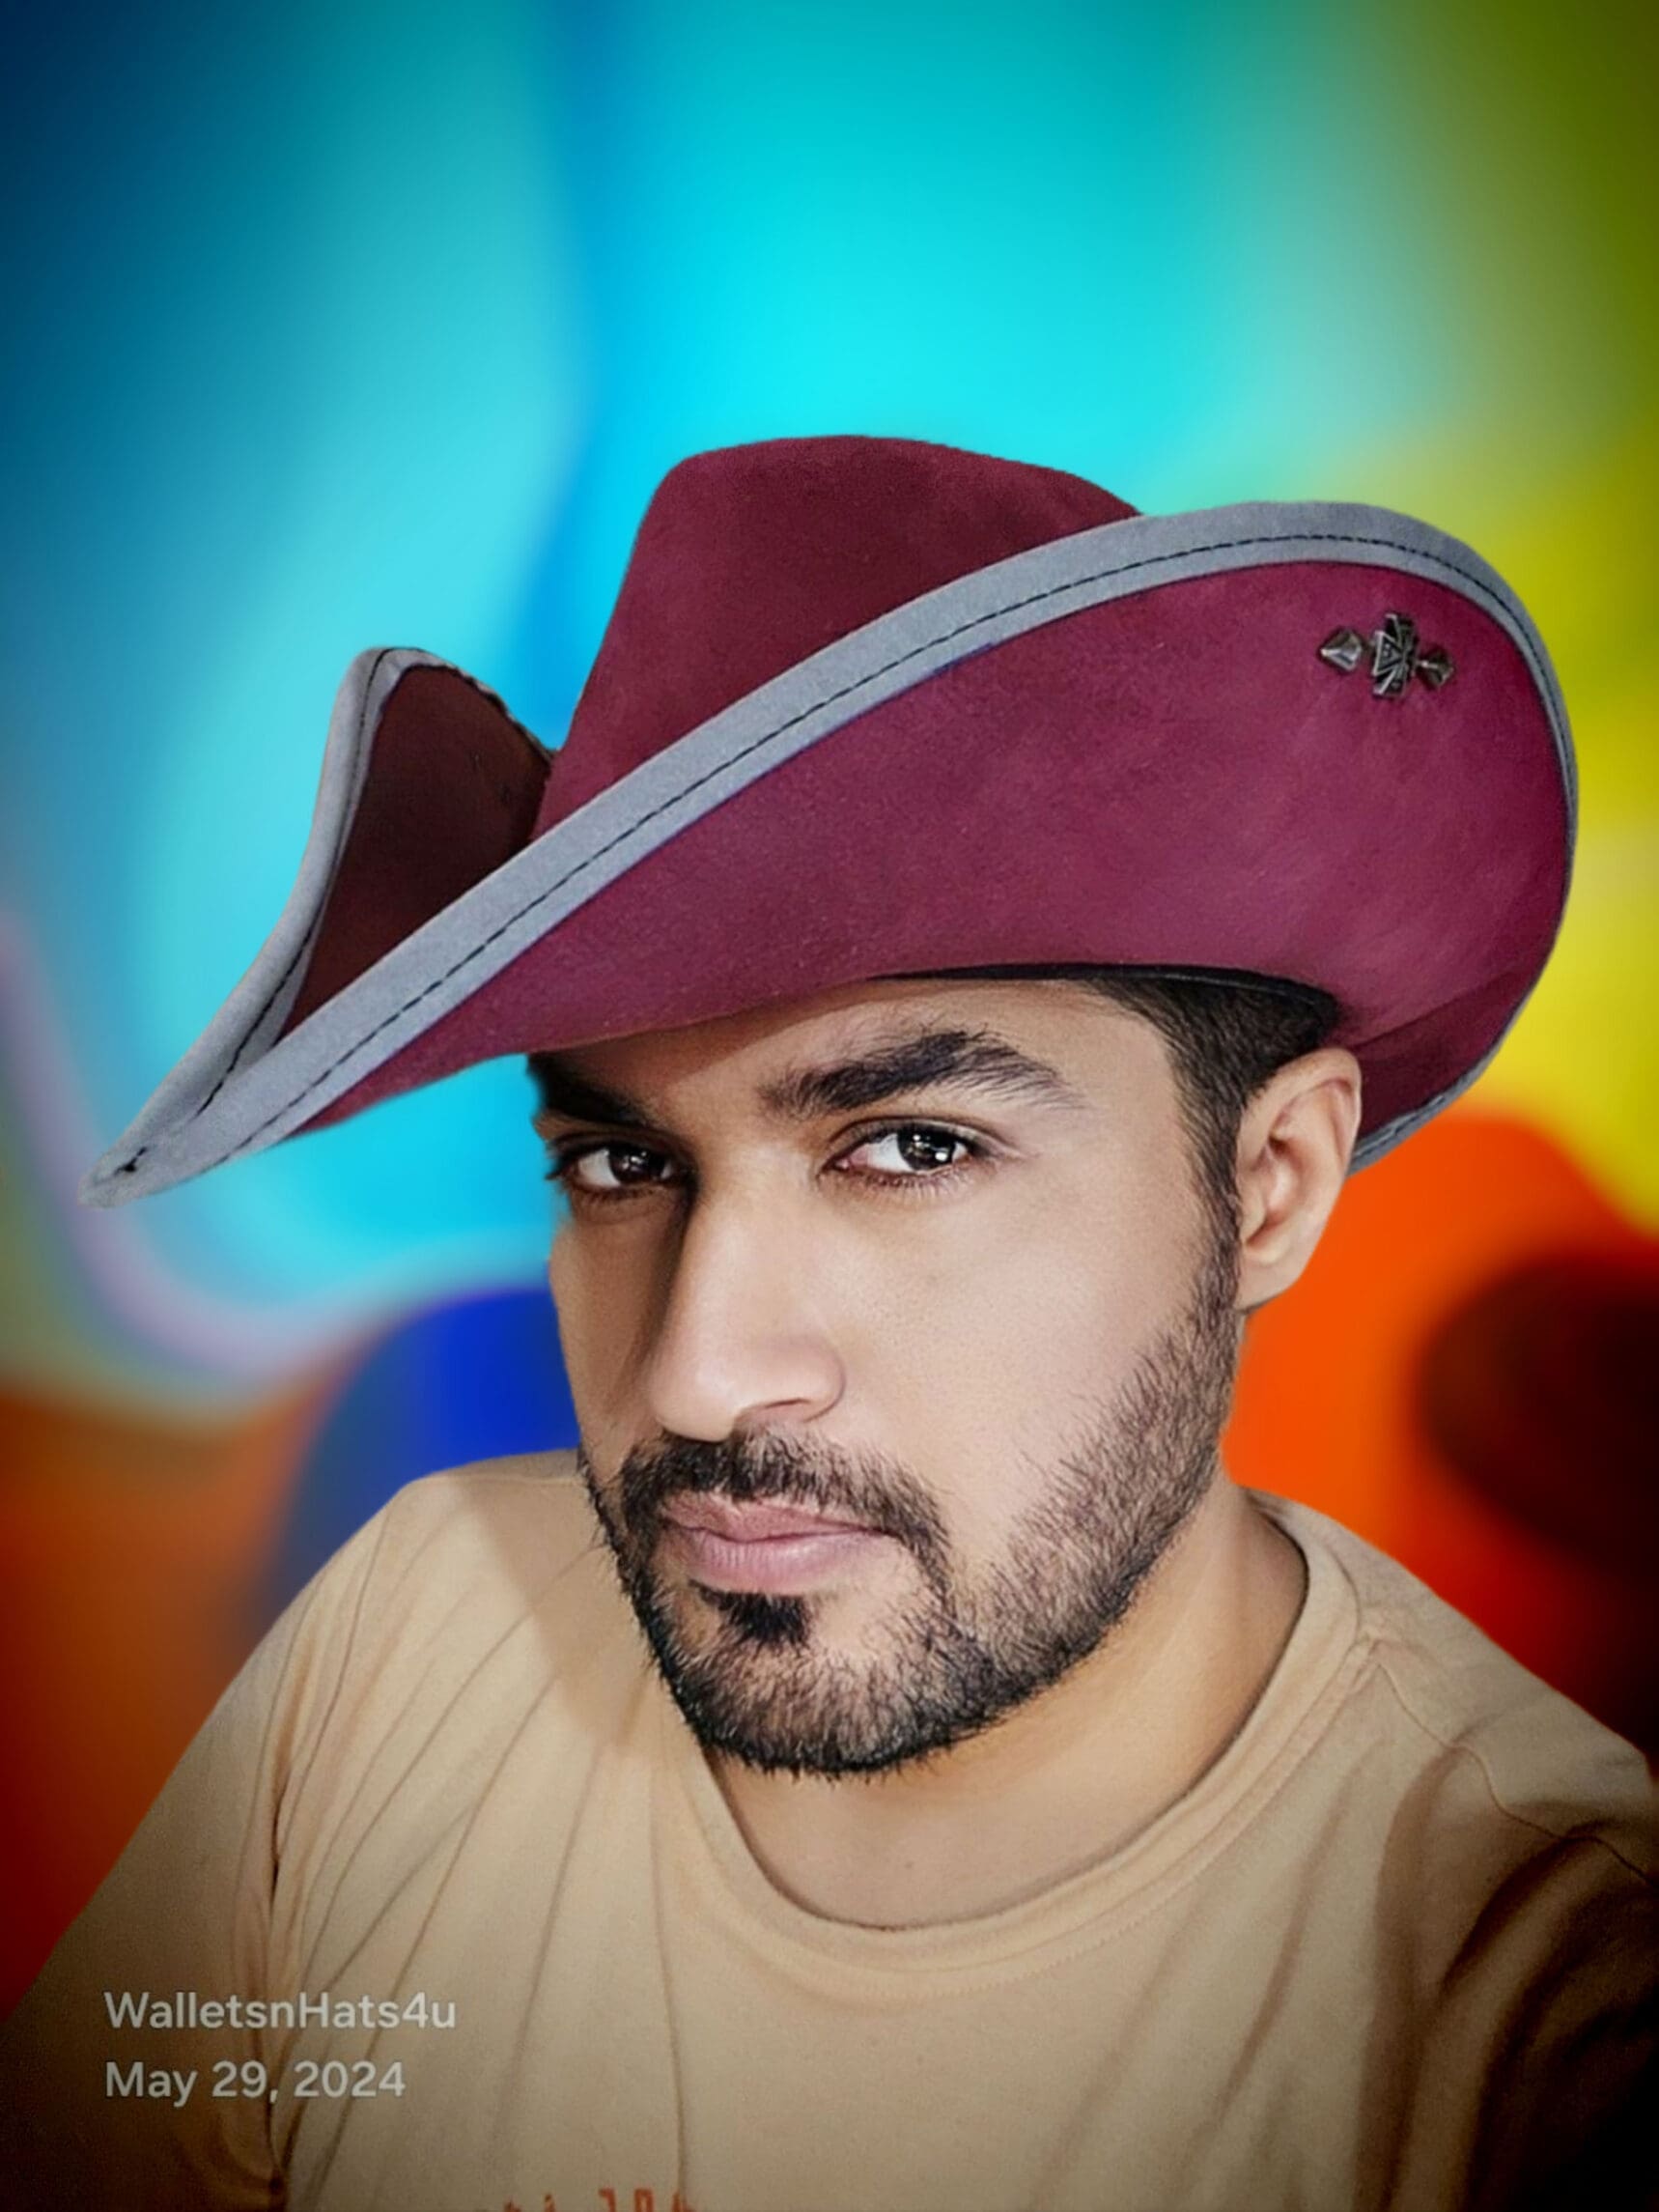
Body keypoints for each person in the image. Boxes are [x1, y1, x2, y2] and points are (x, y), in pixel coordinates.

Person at [3, 438, 1654, 2211]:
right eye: (624, 1162)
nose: (698, 1372)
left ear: (1267, 1182)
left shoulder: (1539, 2002)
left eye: (912, 1146)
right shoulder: (414, 1629)